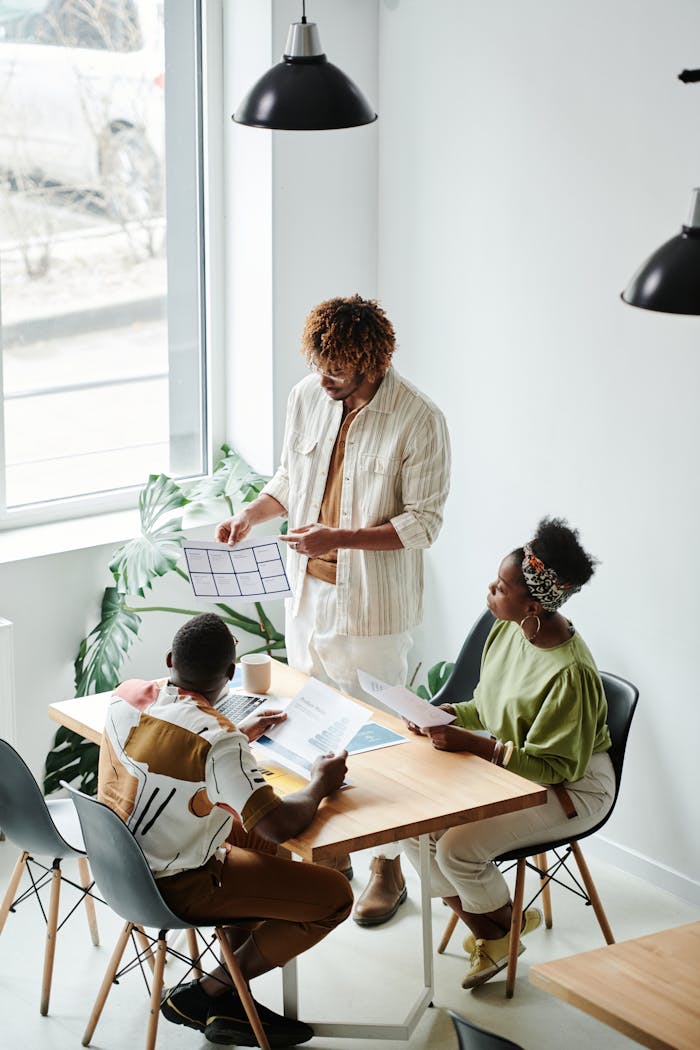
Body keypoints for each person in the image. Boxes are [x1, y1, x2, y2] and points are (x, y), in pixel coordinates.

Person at [216, 294, 451, 926]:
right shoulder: (307, 396)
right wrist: (251, 514)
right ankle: (334, 856)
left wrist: (337, 538)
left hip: (373, 608)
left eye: (338, 368)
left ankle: (389, 868)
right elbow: (291, 480)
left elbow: (423, 525)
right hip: (307, 597)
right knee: (309, 730)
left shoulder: (419, 419)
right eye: (320, 362)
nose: (325, 377)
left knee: (378, 744)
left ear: (371, 362)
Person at [97, 612, 352, 1048]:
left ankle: (231, 995)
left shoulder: (125, 697)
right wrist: (319, 784)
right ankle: (213, 989)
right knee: (334, 897)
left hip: (119, 869)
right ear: (231, 673)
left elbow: (166, 756)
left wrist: (240, 737)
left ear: (170, 657)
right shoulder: (218, 740)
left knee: (246, 833)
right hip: (177, 886)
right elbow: (278, 826)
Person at [401, 517, 614, 990]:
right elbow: (490, 704)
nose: (490, 591)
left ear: (534, 603)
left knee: (457, 847)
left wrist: (480, 746)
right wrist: (448, 713)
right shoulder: (509, 628)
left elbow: (558, 766)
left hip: (574, 786)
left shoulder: (569, 673)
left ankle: (497, 930)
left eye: (502, 586)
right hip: (515, 768)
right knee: (414, 827)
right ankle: (502, 930)